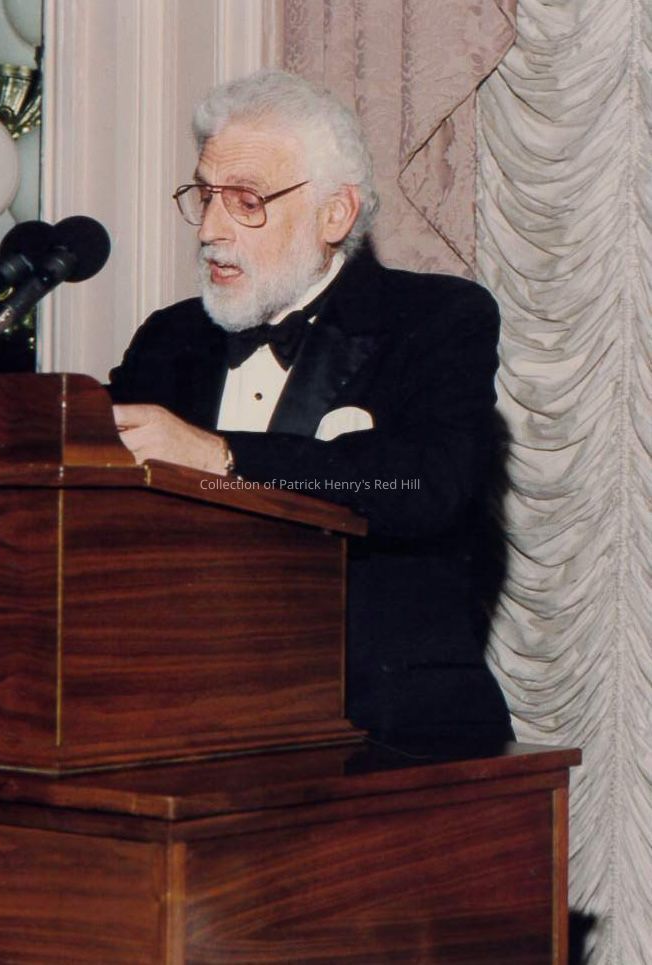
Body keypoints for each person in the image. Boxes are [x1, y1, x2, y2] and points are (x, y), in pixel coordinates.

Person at [109, 69, 513, 744]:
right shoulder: (169, 337)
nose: (209, 229)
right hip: (188, 719)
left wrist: (222, 456)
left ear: (335, 214)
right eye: (204, 196)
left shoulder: (437, 318)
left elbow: (423, 485)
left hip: (386, 731)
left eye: (246, 201)